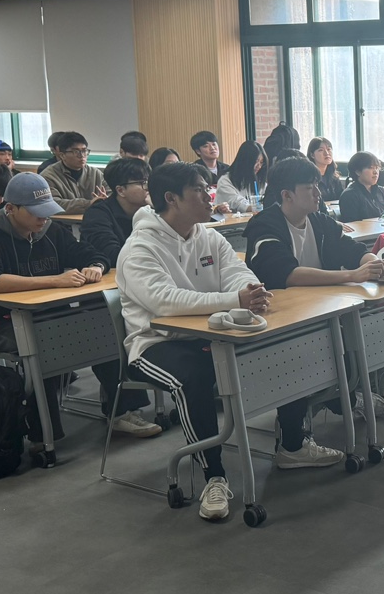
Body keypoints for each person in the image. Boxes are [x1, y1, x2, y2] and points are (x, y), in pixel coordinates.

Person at [116, 161, 277, 521]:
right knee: (195, 376)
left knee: (279, 344)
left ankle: (295, 444)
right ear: (171, 198)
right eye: (200, 191)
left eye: (208, 188)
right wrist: (233, 301)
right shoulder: (139, 248)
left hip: (210, 331)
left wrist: (249, 290)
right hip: (156, 343)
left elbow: (236, 271)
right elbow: (165, 302)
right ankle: (213, 476)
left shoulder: (207, 234)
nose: (210, 196)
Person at [244, 156, 384, 464]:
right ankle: (293, 441)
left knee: (355, 332)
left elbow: (354, 252)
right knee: (305, 349)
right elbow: (288, 275)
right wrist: (351, 276)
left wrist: (374, 264)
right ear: (286, 195)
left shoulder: (320, 220)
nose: (317, 192)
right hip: (280, 318)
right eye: (309, 187)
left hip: (319, 310)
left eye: (317, 185)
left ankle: (345, 398)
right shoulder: (265, 225)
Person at [0, 173, 110, 447]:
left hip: (50, 317)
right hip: (0, 326)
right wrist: (55, 280)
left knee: (106, 329)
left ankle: (122, 411)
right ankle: (45, 436)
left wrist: (96, 267)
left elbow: (91, 253)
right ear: (11, 209)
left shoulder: (51, 231)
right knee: (47, 342)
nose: (43, 219)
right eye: (36, 213)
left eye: (47, 212)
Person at [80, 158, 159, 436]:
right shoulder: (99, 214)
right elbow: (115, 254)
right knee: (108, 332)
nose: (147, 187)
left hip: (142, 287)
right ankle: (123, 411)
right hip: (105, 294)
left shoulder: (151, 211)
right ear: (120, 190)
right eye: (141, 183)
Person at [41, 131, 108, 213]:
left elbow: (111, 195)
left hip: (94, 220)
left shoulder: (95, 173)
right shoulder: (49, 176)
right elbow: (53, 204)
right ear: (62, 155)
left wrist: (105, 199)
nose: (82, 155)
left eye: (84, 150)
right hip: (64, 223)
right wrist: (88, 204)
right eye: (76, 151)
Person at [338, 151, 384, 221]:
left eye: (377, 168)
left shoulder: (381, 191)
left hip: (382, 230)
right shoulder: (349, 195)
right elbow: (351, 224)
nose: (375, 172)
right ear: (358, 172)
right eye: (370, 168)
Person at [216, 140, 266, 213]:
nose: (259, 166)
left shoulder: (259, 180)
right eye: (256, 161)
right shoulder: (226, 181)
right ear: (245, 160)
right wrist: (260, 208)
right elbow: (237, 203)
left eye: (261, 162)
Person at [305, 137, 344, 202]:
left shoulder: (334, 177)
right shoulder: (308, 178)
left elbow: (341, 199)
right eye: (321, 150)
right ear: (312, 155)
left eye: (329, 149)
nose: (327, 153)